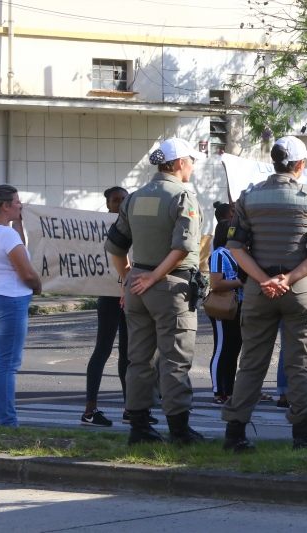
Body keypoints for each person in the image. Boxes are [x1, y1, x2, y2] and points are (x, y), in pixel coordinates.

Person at [221, 136, 307, 452]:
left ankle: (235, 434)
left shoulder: (249, 197)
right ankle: (301, 437)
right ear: (299, 164)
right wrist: (288, 278)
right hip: (300, 290)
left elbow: (235, 247)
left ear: (274, 162)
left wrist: (262, 280)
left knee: (251, 363)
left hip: (258, 291)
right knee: (300, 364)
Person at [105, 137, 208, 445]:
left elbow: (114, 245)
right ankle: (179, 430)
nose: (193, 166)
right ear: (178, 164)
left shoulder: (134, 197)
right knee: (175, 360)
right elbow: (183, 248)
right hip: (170, 286)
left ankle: (139, 429)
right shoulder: (183, 197)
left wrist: (129, 277)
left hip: (137, 285)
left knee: (139, 360)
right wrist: (153, 277)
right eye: (191, 160)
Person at [80, 186, 151, 428]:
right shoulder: (102, 227)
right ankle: (90, 409)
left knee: (128, 354)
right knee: (103, 349)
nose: (120, 204)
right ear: (108, 205)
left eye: (124, 199)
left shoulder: (136, 224)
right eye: (115, 200)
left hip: (130, 293)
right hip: (109, 296)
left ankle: (130, 408)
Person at [0, 185, 42, 427]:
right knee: (8, 366)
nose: (20, 205)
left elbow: (18, 251)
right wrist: (37, 286)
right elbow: (26, 271)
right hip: (10, 301)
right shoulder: (6, 235)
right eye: (17, 201)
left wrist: (20, 225)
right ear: (5, 206)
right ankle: (7, 422)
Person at [208, 219, 245, 405]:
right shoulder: (219, 254)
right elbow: (215, 284)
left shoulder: (238, 254)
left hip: (239, 305)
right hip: (224, 305)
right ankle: (218, 390)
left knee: (234, 349)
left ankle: (229, 389)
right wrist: (241, 282)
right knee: (222, 348)